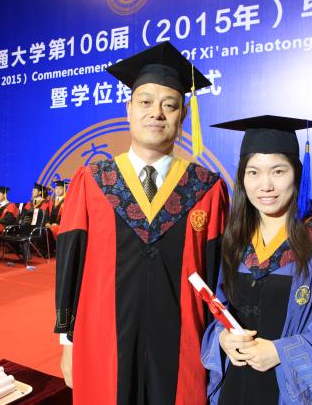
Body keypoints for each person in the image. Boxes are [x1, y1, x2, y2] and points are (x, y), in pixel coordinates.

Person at [55, 41, 229, 405]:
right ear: (129, 109)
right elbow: (70, 266)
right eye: (146, 102)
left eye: (170, 105)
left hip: (182, 348)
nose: (157, 114)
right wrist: (68, 342)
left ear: (183, 115)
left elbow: (218, 279)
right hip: (102, 344)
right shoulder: (93, 181)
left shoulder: (206, 189)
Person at [202, 116, 312, 404]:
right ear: (242, 178)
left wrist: (280, 352)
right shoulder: (234, 239)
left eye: (278, 171)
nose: (265, 185)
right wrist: (223, 338)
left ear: (297, 174)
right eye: (253, 172)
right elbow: (219, 309)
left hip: (286, 388)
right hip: (234, 382)